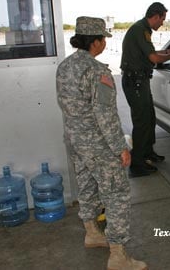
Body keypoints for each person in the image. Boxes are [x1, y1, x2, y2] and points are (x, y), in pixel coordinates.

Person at [56, 16, 147, 270]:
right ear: (95, 42)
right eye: (103, 39)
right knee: (117, 194)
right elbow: (105, 115)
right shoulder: (97, 71)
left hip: (74, 140)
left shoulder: (64, 66)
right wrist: (121, 147)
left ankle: (92, 233)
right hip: (97, 144)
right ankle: (118, 256)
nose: (105, 43)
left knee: (86, 184)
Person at [121, 2, 170, 177]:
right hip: (135, 83)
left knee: (149, 118)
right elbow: (154, 57)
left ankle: (147, 152)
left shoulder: (143, 30)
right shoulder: (141, 30)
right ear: (155, 16)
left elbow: (150, 53)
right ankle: (137, 164)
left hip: (140, 82)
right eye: (162, 19)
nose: (162, 23)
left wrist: (168, 51)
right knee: (141, 122)